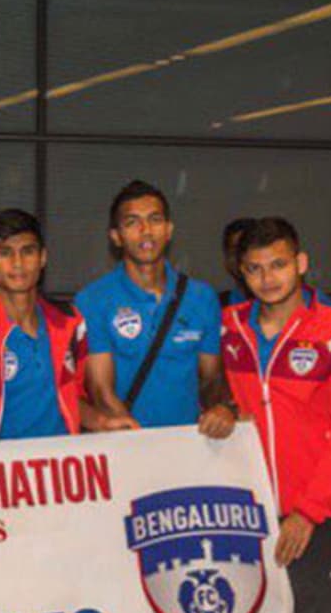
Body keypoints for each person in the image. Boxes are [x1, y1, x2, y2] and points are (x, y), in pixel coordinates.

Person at [221, 217, 331, 613]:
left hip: (317, 518)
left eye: (279, 265)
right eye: (255, 268)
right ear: (241, 272)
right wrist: (224, 408)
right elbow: (220, 395)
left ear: (301, 263)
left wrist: (308, 512)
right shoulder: (229, 327)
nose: (268, 278)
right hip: (250, 517)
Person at [0, 209, 130, 442]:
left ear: (42, 257)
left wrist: (102, 422)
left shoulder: (69, 323)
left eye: (28, 251)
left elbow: (71, 399)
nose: (18, 263)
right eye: (5, 253)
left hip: (62, 463)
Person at [76, 181, 233, 432]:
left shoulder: (202, 298)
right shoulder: (93, 300)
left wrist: (221, 409)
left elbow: (211, 380)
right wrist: (142, 442)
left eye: (155, 220)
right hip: (126, 440)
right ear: (116, 236)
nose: (146, 230)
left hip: (189, 443)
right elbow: (100, 391)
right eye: (132, 222)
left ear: (169, 230)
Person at [219, 217, 254, 307]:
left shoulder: (285, 305)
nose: (242, 258)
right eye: (235, 251)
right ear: (226, 260)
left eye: (246, 250)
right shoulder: (214, 307)